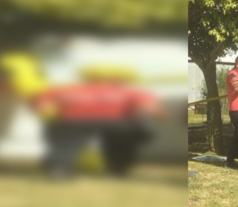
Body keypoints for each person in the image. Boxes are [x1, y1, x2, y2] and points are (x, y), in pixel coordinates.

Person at [32, 66, 164, 178]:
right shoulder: (133, 92)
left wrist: (52, 118)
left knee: (64, 141)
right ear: (122, 78)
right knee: (126, 137)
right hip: (116, 123)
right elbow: (148, 109)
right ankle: (118, 168)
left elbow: (43, 105)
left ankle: (59, 168)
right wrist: (161, 117)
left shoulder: (63, 89)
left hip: (72, 121)